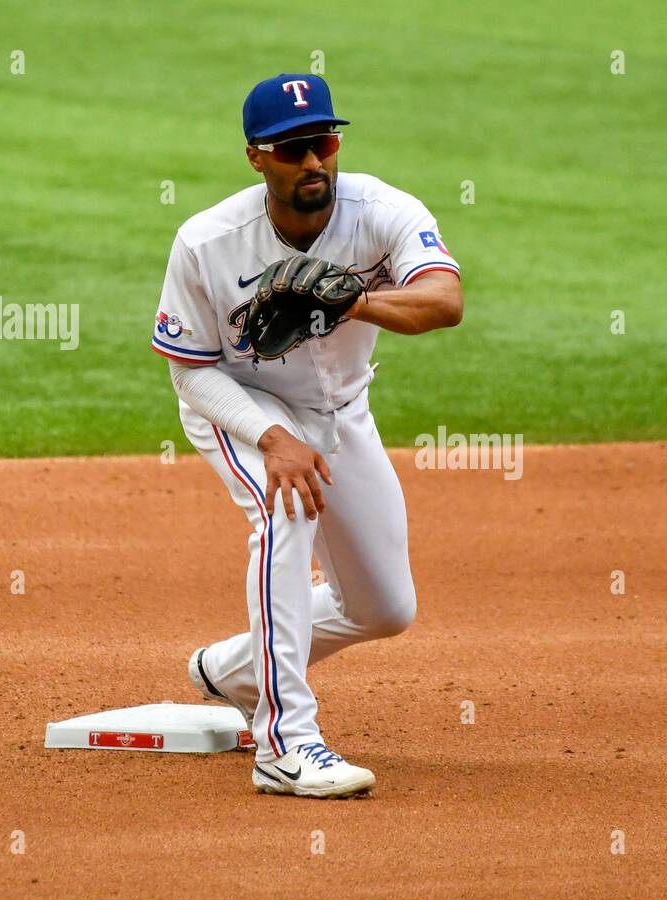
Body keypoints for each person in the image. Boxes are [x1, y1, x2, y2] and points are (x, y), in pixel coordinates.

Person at [152, 73, 462, 798]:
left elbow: (445, 301)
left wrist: (355, 297)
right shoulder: (207, 242)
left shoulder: (382, 210)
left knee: (385, 608)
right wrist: (269, 436)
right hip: (242, 404)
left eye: (324, 142)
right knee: (284, 506)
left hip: (341, 411)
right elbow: (190, 372)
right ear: (257, 157)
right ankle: (285, 743)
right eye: (294, 149)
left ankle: (228, 672)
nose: (314, 162)